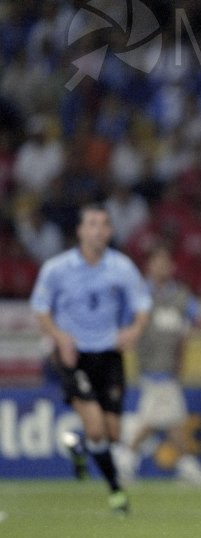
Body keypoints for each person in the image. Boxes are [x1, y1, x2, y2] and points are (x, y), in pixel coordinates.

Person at [30, 204, 151, 513]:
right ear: (81, 231)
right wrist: (60, 337)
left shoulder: (121, 267)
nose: (99, 230)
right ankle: (116, 493)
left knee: (112, 433)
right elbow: (41, 308)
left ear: (110, 232)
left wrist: (134, 331)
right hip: (74, 355)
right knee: (96, 427)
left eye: (104, 224)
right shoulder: (57, 269)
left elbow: (142, 304)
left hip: (109, 354)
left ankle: (79, 446)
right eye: (93, 224)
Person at [116, 244, 201, 486]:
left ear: (173, 267)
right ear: (149, 266)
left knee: (166, 420)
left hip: (170, 367)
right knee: (159, 420)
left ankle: (128, 461)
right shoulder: (141, 295)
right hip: (151, 367)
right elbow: (126, 326)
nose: (162, 267)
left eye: (166, 263)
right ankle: (181, 465)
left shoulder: (180, 296)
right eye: (158, 262)